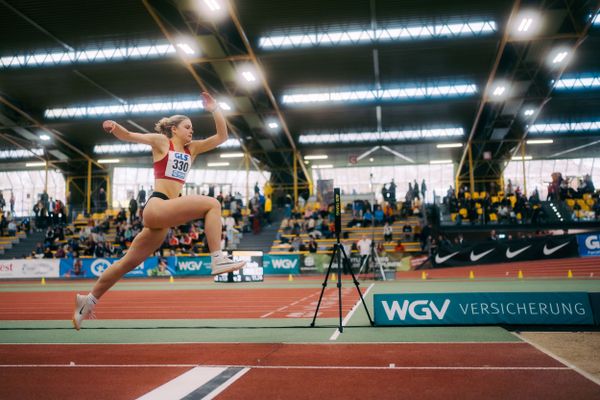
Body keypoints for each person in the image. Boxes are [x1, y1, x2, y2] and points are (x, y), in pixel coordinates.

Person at [72, 92, 245, 330]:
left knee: (127, 263)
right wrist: (114, 127)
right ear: (174, 129)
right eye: (187, 127)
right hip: (157, 204)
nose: (191, 131)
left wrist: (215, 109)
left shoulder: (191, 149)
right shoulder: (161, 142)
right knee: (213, 204)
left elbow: (223, 136)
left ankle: (87, 301)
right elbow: (130, 135)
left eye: (192, 128)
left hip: (161, 219)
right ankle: (217, 259)